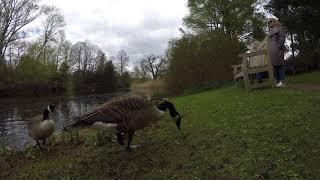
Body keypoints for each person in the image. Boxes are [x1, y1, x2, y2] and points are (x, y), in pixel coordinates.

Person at [268, 18, 286, 87]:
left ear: (274, 21)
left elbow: (282, 37)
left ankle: (282, 81)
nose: (269, 23)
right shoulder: (270, 31)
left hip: (278, 49)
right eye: (268, 22)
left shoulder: (279, 28)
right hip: (272, 51)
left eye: (270, 21)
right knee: (275, 66)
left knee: (280, 65)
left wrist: (278, 46)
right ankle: (278, 81)